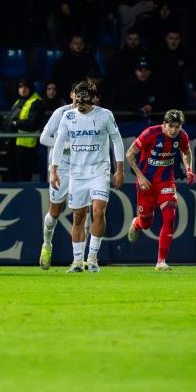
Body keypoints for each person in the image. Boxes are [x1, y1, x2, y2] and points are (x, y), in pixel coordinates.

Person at [50, 83, 125, 273]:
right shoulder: (68, 116)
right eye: (77, 99)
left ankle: (92, 258)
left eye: (84, 99)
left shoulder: (105, 115)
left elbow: (117, 140)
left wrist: (120, 169)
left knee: (98, 212)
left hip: (99, 171)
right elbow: (58, 143)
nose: (80, 103)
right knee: (78, 216)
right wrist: (54, 170)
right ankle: (77, 261)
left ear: (93, 98)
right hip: (76, 173)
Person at [125, 109, 195, 271]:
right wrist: (140, 176)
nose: (174, 130)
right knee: (146, 223)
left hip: (166, 182)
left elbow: (186, 152)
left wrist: (189, 169)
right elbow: (129, 154)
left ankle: (161, 261)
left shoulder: (182, 136)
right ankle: (137, 223)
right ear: (164, 124)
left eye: (177, 127)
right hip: (146, 183)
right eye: (171, 126)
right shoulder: (150, 133)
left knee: (170, 217)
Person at [38, 81, 88, 270]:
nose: (80, 97)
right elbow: (43, 138)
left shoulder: (92, 114)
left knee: (82, 213)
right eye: (77, 94)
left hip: (82, 168)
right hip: (61, 168)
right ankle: (47, 244)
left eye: (84, 94)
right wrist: (65, 145)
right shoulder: (61, 113)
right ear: (71, 95)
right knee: (54, 212)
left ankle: (79, 258)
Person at [2, 78, 45, 181]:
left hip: (26, 146)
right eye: (20, 87)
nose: (23, 89)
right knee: (13, 175)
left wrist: (16, 123)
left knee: (24, 176)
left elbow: (33, 123)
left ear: (31, 88)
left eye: (26, 87)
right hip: (13, 143)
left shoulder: (37, 102)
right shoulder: (19, 101)